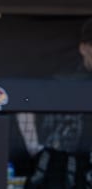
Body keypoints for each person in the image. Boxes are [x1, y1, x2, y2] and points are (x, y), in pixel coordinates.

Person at [16, 17, 92, 188]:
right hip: (59, 167)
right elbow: (23, 101)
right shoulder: (65, 80)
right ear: (84, 48)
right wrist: (33, 146)